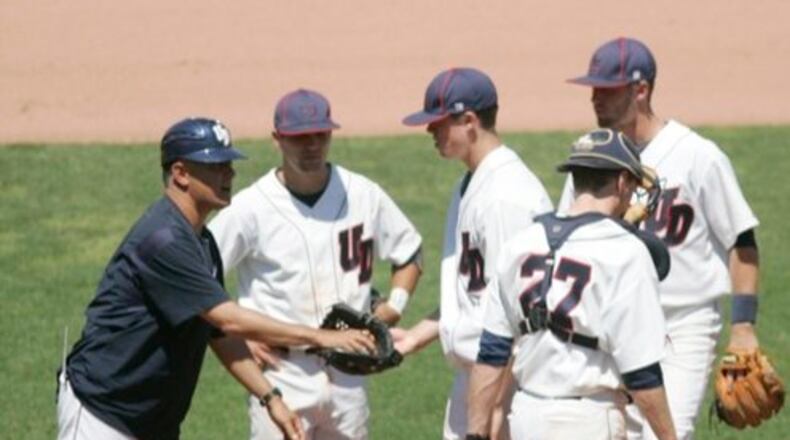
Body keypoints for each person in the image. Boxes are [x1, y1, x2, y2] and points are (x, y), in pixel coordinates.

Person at [57, 117, 376, 440]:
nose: (229, 174)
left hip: (151, 418)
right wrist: (322, 337)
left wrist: (270, 397)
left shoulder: (203, 242)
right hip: (102, 412)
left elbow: (219, 333)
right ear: (180, 173)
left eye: (228, 164)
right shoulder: (164, 240)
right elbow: (229, 319)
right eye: (215, 166)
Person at [560, 37, 762, 439]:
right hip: (611, 323)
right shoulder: (593, 157)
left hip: (683, 324)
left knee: (667, 433)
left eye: (607, 89)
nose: (595, 99)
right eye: (594, 89)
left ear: (641, 90)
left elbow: (741, 242)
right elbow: (567, 236)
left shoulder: (698, 156)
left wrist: (743, 326)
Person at [208, 89, 423, 440]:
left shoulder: (363, 194)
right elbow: (198, 277)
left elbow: (410, 253)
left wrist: (394, 308)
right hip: (281, 375)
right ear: (278, 140)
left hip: (350, 375)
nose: (311, 145)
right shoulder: (249, 209)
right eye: (299, 137)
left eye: (319, 135)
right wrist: (234, 336)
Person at [466, 128, 677, 440]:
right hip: (586, 422)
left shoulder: (520, 244)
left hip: (525, 417)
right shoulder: (626, 252)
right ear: (622, 182)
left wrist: (475, 433)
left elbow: (492, 354)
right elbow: (642, 374)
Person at [396, 67, 553, 440]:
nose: (429, 131)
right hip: (480, 378)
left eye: (438, 123)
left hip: (505, 383)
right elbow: (478, 292)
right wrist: (417, 336)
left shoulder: (505, 196)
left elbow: (521, 311)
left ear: (469, 121)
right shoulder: (473, 183)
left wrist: (492, 411)